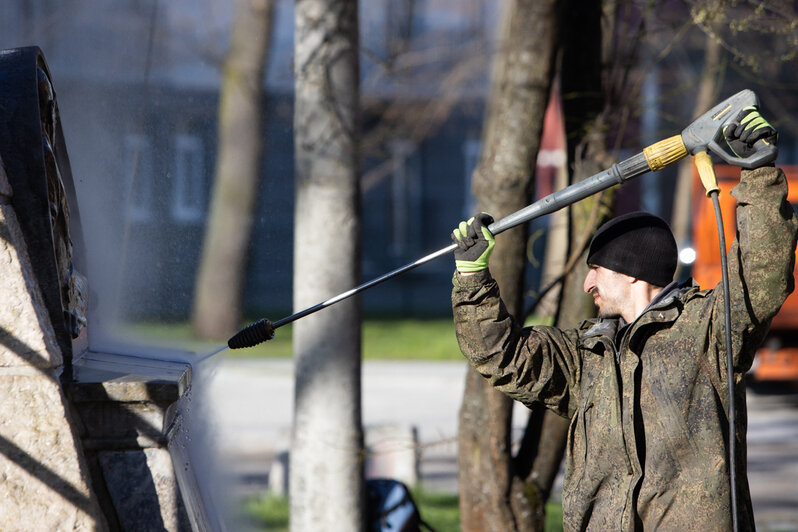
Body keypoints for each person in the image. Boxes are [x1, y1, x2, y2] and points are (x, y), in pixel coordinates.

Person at [450, 107, 798, 531]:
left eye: (595, 269)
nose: (587, 285)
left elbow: (760, 271)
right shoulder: (584, 357)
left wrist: (759, 174)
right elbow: (502, 356)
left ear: (631, 270)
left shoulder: (708, 330)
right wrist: (471, 276)